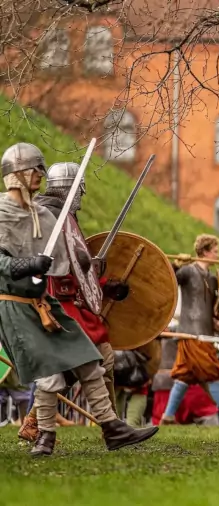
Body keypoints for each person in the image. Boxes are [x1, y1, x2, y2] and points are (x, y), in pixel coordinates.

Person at [0, 142, 157, 456]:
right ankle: (45, 435)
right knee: (51, 372)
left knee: (87, 358)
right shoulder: (1, 213)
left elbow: (64, 262)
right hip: (16, 305)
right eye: (34, 170)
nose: (39, 176)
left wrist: (91, 273)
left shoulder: (41, 214)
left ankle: (112, 429)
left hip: (44, 301)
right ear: (16, 174)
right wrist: (27, 265)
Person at [18, 161, 129, 439]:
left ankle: (108, 426)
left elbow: (77, 268)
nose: (82, 196)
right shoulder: (48, 216)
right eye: (79, 190)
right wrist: (83, 266)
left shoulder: (63, 216)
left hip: (69, 304)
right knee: (83, 363)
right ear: (69, 188)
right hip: (56, 304)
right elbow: (51, 266)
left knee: (78, 366)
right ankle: (110, 427)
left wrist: (100, 283)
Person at [161, 234, 219, 425]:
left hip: (204, 332)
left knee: (184, 375)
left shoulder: (212, 278)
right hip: (192, 332)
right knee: (212, 371)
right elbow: (169, 280)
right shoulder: (188, 271)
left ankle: (168, 416)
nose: (218, 255)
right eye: (215, 251)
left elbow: (212, 308)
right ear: (205, 252)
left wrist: (217, 322)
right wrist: (175, 265)